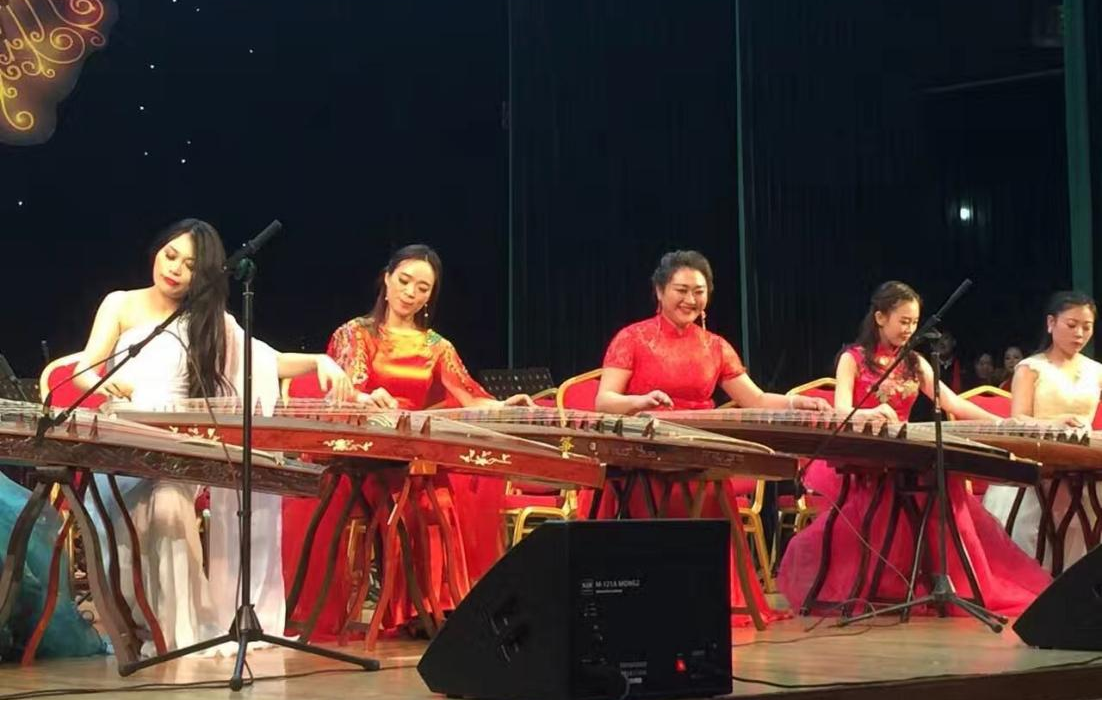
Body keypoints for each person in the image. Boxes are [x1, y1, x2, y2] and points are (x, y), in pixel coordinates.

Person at [70, 218, 352, 654]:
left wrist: (318, 361)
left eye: (190, 266)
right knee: (127, 515)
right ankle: (137, 624)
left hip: (174, 450)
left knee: (169, 504)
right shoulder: (120, 303)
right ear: (157, 251)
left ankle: (176, 634)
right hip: (121, 441)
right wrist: (103, 383)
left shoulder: (208, 321)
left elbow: (265, 361)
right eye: (171, 256)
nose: (175, 269)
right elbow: (84, 368)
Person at [281, 244, 531, 639]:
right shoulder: (356, 333)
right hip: (363, 456)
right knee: (409, 496)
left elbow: (469, 397)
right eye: (404, 281)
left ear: (430, 296)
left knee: (438, 498)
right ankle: (410, 608)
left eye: (423, 288)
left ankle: (431, 608)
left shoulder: (437, 346)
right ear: (387, 278)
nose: (411, 293)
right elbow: (346, 391)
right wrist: (367, 399)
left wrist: (504, 406)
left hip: (410, 453)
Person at [779, 281, 1049, 617]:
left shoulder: (915, 362)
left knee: (943, 485)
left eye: (914, 322)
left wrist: (1002, 423)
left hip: (905, 450)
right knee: (885, 502)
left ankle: (952, 583)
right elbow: (841, 409)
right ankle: (880, 584)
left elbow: (951, 403)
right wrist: (869, 413)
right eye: (903, 321)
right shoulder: (853, 358)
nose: (909, 329)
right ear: (880, 317)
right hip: (867, 453)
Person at [983, 292, 1102, 571]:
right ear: (1051, 323)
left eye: (1086, 327)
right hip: (1039, 461)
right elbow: (1018, 419)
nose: (1079, 333)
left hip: (1083, 463)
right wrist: (1054, 422)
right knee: (1034, 529)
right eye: (1071, 325)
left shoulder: (1096, 370)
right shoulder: (1031, 368)